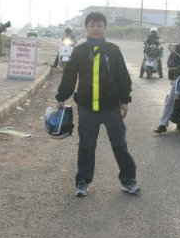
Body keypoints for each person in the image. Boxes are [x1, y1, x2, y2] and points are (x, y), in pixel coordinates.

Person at [55, 12, 139, 197]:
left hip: (111, 107)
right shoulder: (79, 51)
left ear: (104, 28)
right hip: (86, 108)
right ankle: (83, 181)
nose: (95, 29)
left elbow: (123, 77)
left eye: (99, 25)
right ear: (86, 28)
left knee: (119, 145)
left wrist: (124, 100)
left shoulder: (113, 50)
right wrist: (61, 97)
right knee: (86, 145)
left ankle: (128, 181)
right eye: (92, 25)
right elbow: (69, 77)